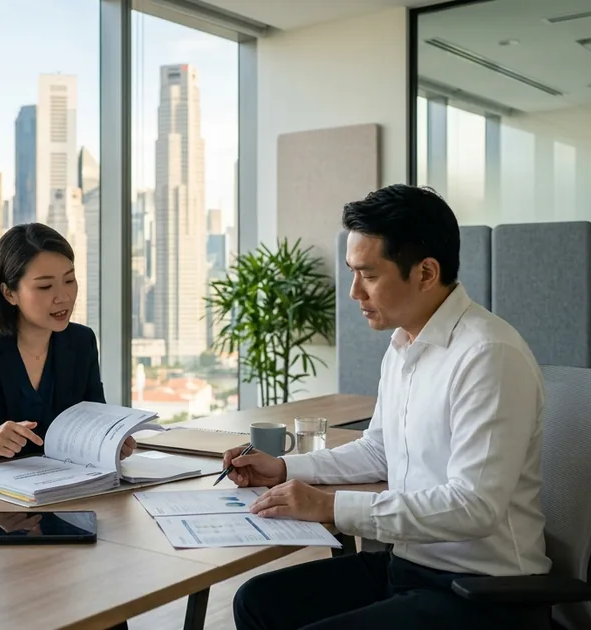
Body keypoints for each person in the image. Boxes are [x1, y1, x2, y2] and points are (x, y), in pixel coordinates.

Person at [227, 185, 551, 630]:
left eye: (370, 275)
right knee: (256, 601)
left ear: (426, 272)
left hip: (485, 593)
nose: (354, 292)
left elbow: (474, 506)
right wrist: (285, 469)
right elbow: (378, 450)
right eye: (352, 273)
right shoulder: (403, 346)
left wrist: (331, 507)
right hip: (410, 566)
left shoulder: (488, 355)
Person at [0, 222, 135, 471]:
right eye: (45, 286)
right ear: (9, 293)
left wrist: (110, 441)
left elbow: (94, 424)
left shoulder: (81, 342)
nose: (63, 297)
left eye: (69, 280)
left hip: (64, 493)